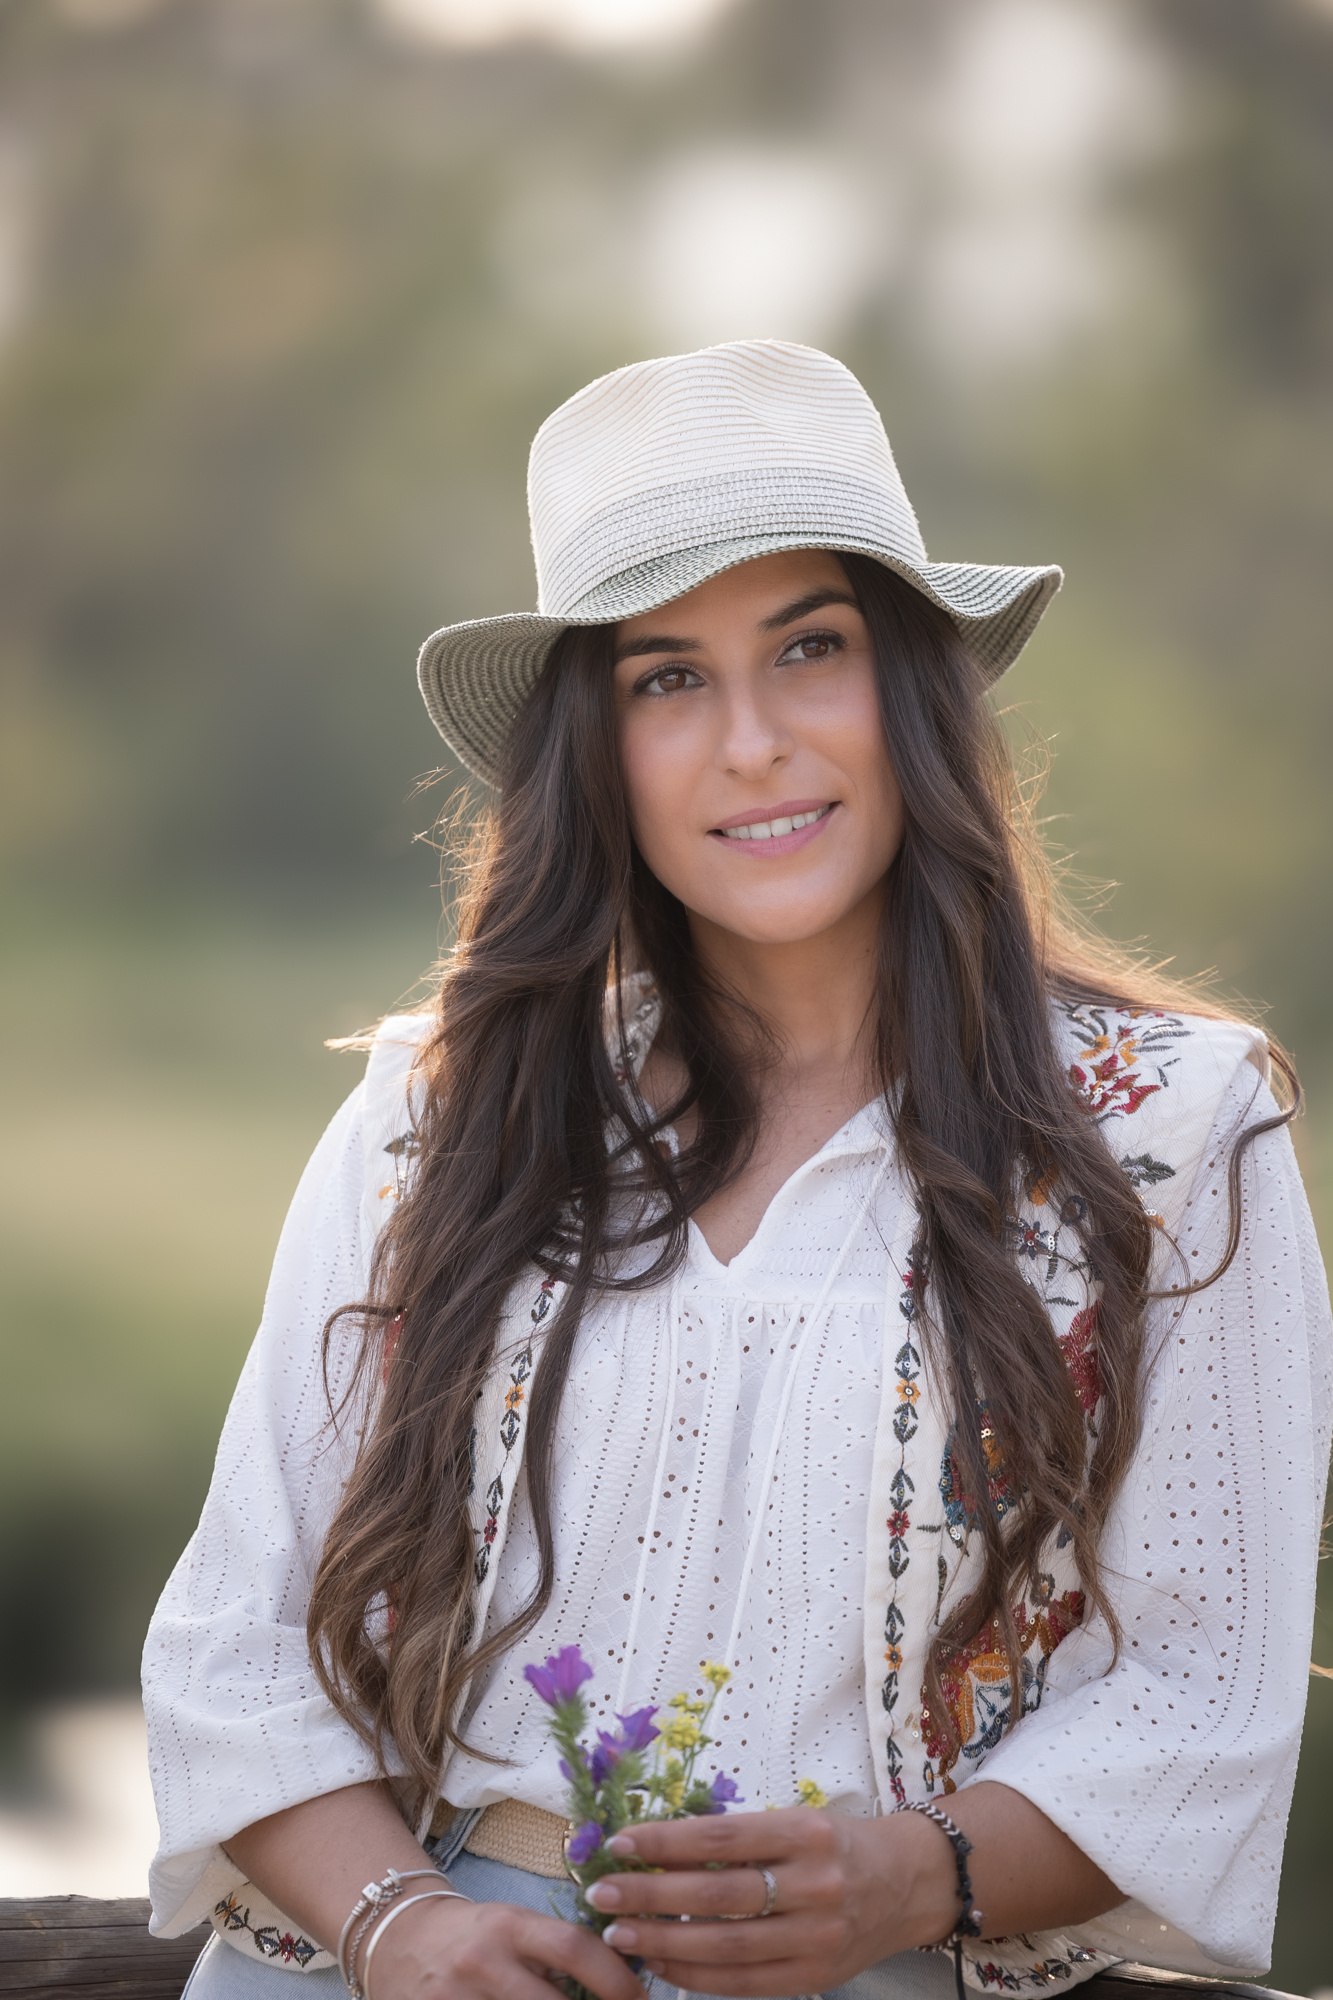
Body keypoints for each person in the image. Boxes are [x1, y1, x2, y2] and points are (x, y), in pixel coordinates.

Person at [143, 340, 1331, 2000]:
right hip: (388, 1955)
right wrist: (402, 1928)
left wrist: (912, 1879)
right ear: (596, 746)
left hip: (870, 1965)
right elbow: (234, 1641)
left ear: (908, 684)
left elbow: (1204, 1694)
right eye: (664, 678)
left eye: (810, 649)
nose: (753, 742)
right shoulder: (439, 1112)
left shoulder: (1167, 1134)